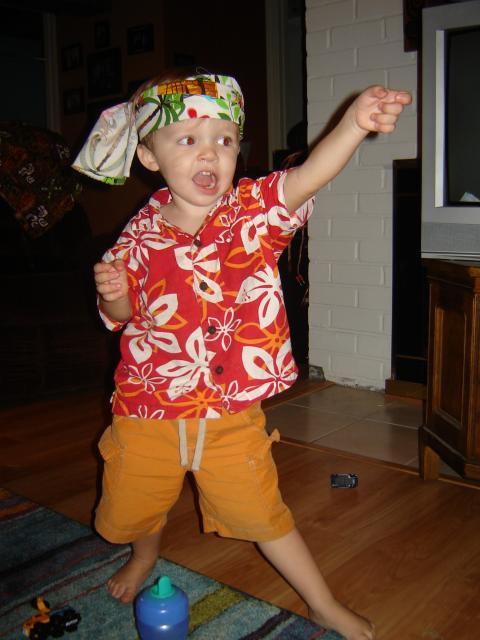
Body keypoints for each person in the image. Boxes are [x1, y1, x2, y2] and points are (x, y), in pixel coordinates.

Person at [73, 69, 411, 640]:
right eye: (188, 139)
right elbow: (125, 315)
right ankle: (144, 555)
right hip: (147, 408)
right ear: (149, 156)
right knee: (136, 506)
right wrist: (115, 293)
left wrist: (354, 125)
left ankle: (321, 603)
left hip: (229, 413)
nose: (210, 153)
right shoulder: (137, 234)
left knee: (262, 513)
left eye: (224, 140)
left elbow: (307, 176)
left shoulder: (251, 213)